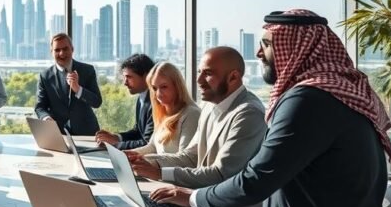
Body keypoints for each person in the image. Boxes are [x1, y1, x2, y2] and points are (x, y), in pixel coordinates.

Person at [151, 10, 391, 207]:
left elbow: (258, 177)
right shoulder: (326, 93)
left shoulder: (311, 100)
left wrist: (192, 198)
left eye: (266, 43)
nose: (257, 52)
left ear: (297, 48)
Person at [128, 48, 266, 186]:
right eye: (199, 72)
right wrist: (147, 161)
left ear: (233, 77)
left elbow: (221, 173)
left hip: (234, 206)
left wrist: (159, 173)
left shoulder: (248, 113)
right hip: (205, 195)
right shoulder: (208, 106)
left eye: (208, 73)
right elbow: (191, 157)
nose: (198, 80)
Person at [126, 61, 201, 156]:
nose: (158, 94)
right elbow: (153, 147)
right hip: (156, 169)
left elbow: (186, 160)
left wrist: (145, 161)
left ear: (177, 86)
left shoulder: (191, 114)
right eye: (154, 88)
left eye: (164, 87)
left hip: (168, 170)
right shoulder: (163, 113)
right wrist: (129, 155)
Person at [34, 33, 102, 135]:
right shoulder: (45, 76)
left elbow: (97, 102)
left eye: (65, 49)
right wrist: (46, 118)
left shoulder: (87, 70)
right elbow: (40, 107)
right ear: (51, 52)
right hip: (59, 134)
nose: (62, 53)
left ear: (72, 49)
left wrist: (78, 89)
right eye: (57, 50)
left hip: (87, 133)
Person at [95, 54, 155, 150]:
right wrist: (116, 137)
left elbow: (146, 143)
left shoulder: (156, 102)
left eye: (129, 77)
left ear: (146, 76)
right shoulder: (141, 98)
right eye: (124, 77)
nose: (125, 82)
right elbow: (138, 131)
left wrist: (114, 144)